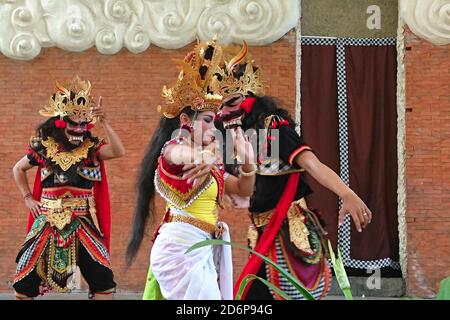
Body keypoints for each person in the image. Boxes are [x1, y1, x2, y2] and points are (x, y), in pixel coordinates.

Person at [214, 42, 373, 300]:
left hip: (287, 227)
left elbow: (313, 164)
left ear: (248, 96)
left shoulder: (274, 127)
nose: (224, 111)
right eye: (219, 104)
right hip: (260, 230)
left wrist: (347, 193)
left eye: (231, 101)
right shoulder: (232, 135)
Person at [126, 40, 256, 300]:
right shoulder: (174, 150)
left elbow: (243, 189)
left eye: (215, 121)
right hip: (179, 248)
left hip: (203, 249)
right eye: (207, 120)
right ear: (185, 121)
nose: (213, 128)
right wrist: (208, 155)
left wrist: (249, 163)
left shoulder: (211, 163)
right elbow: (182, 154)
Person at [12, 76, 125, 300]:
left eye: (84, 124)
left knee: (103, 277)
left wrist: (106, 123)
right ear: (60, 122)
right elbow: (18, 169)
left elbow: (118, 151)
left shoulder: (91, 149)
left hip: (82, 221)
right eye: (73, 123)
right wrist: (27, 198)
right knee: (24, 280)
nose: (79, 129)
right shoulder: (43, 147)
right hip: (46, 220)